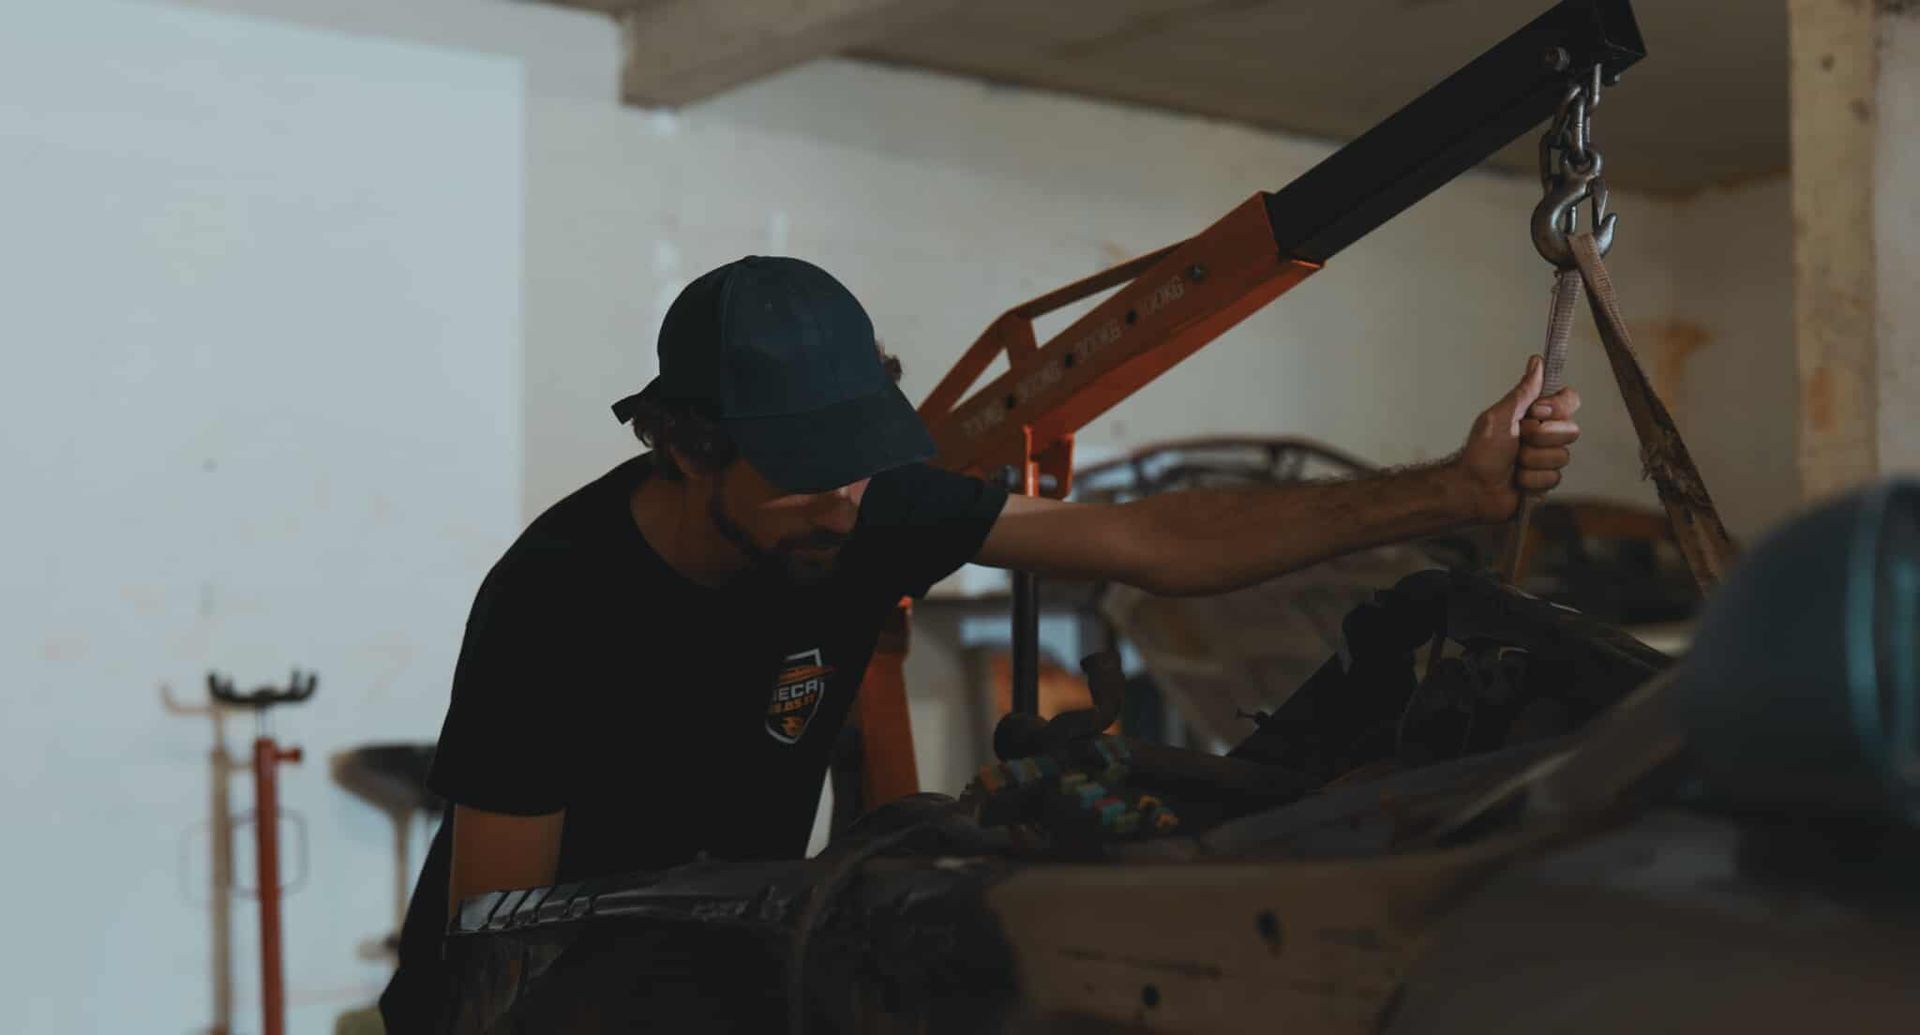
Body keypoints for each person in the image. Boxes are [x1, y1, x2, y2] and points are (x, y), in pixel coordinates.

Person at [378, 255, 1581, 1030]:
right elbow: (503, 935)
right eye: (802, 482)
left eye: (858, 468)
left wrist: (1449, 494)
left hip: (728, 966)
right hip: (551, 997)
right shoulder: (558, 599)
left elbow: (1157, 541)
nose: (844, 506)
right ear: (689, 449)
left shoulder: (869, 511)